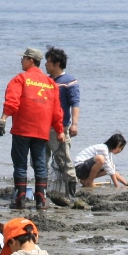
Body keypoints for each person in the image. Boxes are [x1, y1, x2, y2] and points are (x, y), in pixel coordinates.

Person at [0, 47, 65, 210]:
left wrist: (3, 118)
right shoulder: (51, 84)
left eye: (24, 58)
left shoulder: (20, 79)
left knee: (20, 164)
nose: (21, 61)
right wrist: (60, 130)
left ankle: (20, 200)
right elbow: (57, 111)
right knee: (40, 164)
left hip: (22, 129)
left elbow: (13, 101)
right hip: (41, 131)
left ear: (31, 61)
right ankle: (40, 201)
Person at [44, 47, 80, 198]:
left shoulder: (69, 81)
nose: (45, 64)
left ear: (57, 64)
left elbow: (75, 104)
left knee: (63, 160)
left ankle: (71, 194)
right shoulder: (46, 80)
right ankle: (43, 192)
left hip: (59, 127)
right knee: (40, 160)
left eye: (48, 62)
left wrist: (74, 124)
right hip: (42, 127)